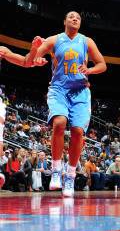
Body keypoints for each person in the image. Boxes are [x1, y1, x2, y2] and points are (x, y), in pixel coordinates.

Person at [34, 11, 107, 197]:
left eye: (78, 18)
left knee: (77, 132)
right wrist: (36, 54)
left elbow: (102, 64)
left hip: (81, 92)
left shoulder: (86, 41)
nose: (75, 19)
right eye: (71, 17)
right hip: (59, 90)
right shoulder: (54, 39)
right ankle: (57, 170)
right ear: (64, 21)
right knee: (59, 123)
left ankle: (71, 175)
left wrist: (89, 69)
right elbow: (34, 54)